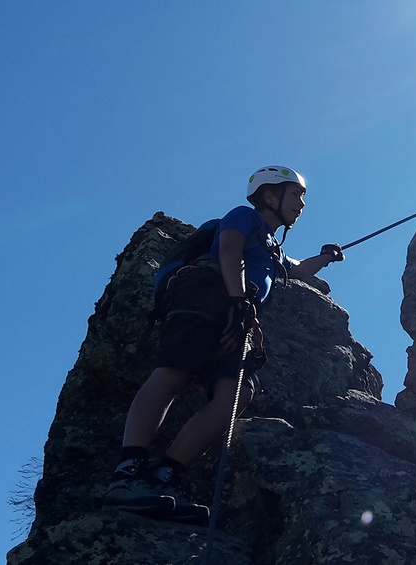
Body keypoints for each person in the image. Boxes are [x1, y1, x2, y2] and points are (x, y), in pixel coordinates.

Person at [103, 165, 343, 523]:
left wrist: (326, 256)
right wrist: (237, 302)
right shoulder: (243, 215)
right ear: (269, 195)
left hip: (237, 311)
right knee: (174, 371)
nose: (302, 203)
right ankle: (127, 475)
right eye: (296, 194)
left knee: (236, 395)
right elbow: (229, 252)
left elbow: (296, 270)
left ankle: (164, 477)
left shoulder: (273, 248)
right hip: (206, 292)